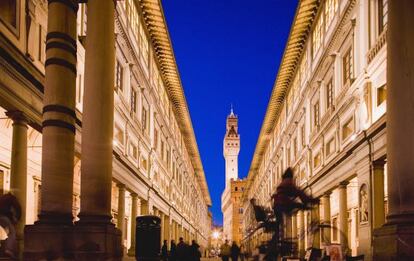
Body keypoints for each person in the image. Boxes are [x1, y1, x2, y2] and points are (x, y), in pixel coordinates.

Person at [0, 193, 21, 259]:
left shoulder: (2, 199)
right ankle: (8, 249)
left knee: (3, 234)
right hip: (6, 218)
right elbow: (16, 209)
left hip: (1, 217)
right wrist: (16, 218)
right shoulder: (12, 200)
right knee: (12, 233)